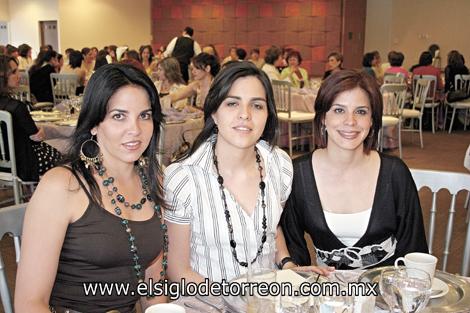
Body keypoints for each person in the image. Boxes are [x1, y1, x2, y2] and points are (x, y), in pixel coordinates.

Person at [15, 63, 167, 312]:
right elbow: (29, 303)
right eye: (119, 116)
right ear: (94, 124)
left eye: (144, 115)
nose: (135, 130)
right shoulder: (62, 186)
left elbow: (152, 288)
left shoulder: (153, 181)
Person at [164, 62, 332, 283]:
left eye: (257, 105)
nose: (245, 115)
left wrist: (287, 264)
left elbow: (271, 227)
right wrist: (234, 300)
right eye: (232, 103)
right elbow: (178, 271)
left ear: (268, 114)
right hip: (209, 302)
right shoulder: (183, 178)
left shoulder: (279, 164)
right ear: (214, 112)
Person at [280, 70, 428, 270]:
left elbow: (413, 248)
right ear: (323, 117)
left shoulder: (395, 173)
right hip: (327, 291)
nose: (350, 121)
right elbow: (293, 246)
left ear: (372, 120)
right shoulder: (299, 174)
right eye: (339, 110)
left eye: (361, 111)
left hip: (386, 288)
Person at [0, 55, 61, 181]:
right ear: (2, 77)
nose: (19, 75)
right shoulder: (16, 107)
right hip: (24, 165)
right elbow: (35, 137)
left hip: (4, 163)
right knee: (66, 160)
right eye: (13, 72)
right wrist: (41, 132)